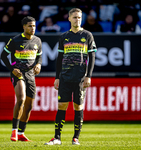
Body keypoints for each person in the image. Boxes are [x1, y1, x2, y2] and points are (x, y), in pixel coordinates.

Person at [45, 8, 97, 145]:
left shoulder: (87, 35)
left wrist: (89, 76)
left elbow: (92, 57)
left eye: (79, 17)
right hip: (65, 77)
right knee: (61, 105)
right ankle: (57, 138)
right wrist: (57, 77)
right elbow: (59, 58)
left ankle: (76, 138)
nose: (77, 20)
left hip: (80, 77)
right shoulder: (63, 37)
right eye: (74, 17)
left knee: (78, 107)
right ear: (69, 19)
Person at [0, 16, 42, 142]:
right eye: (29, 26)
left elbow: (39, 57)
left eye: (34, 26)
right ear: (23, 27)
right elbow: (3, 56)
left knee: (29, 105)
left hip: (30, 74)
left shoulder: (38, 41)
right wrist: (12, 69)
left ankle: (21, 133)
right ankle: (14, 131)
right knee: (21, 98)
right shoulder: (15, 40)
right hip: (17, 72)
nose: (32, 28)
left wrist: (38, 64)